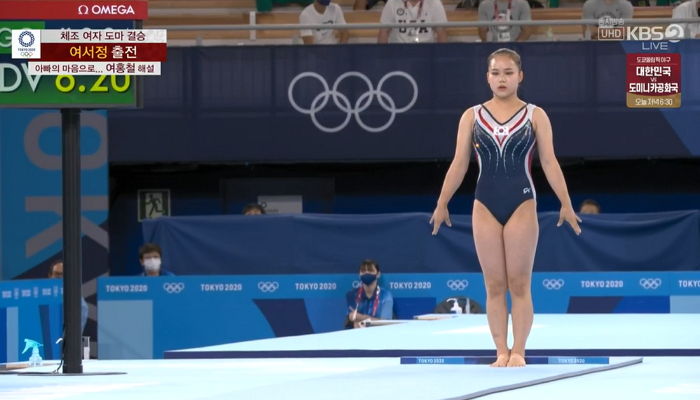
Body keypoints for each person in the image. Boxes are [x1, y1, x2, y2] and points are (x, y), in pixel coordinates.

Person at [430, 48, 581, 367]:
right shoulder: (471, 116)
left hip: (522, 202)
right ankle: (501, 351)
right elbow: (459, 163)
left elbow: (549, 162)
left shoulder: (534, 115)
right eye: (496, 72)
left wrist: (566, 203)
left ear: (520, 76)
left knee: (519, 282)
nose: (502, 78)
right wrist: (443, 202)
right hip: (484, 203)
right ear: (487, 77)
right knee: (495, 284)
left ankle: (519, 351)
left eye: (508, 73)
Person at [345, 259, 394, 328]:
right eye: (363, 271)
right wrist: (374, 321)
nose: (366, 273)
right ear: (359, 275)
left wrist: (361, 317)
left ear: (378, 274)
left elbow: (385, 323)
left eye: (370, 270)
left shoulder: (386, 295)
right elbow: (353, 321)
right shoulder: (351, 295)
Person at [377, 0, 448, 44]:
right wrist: (382, 57)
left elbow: (441, 33)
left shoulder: (435, 2)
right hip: (398, 51)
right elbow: (383, 32)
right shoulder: (392, 2)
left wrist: (441, 58)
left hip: (426, 51)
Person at [48, 260, 88, 334]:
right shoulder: (39, 298)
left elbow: (72, 336)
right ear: (50, 276)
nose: (60, 278)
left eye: (64, 274)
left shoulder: (79, 303)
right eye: (57, 274)